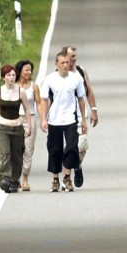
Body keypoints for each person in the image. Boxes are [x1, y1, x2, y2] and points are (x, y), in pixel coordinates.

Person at [40, 50, 88, 193]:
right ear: (56, 64)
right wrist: (43, 118)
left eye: (67, 62)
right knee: (55, 150)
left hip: (70, 119)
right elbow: (44, 100)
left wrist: (83, 119)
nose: (66, 65)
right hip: (54, 120)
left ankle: (67, 176)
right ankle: (55, 179)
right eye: (62, 63)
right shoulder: (49, 79)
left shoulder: (76, 79)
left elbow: (81, 99)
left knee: (72, 147)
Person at [0, 64, 27, 194]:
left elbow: (27, 109)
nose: (12, 77)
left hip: (17, 127)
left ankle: (14, 180)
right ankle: (4, 178)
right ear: (3, 77)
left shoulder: (21, 91)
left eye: (14, 75)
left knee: (17, 155)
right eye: (9, 75)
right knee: (4, 153)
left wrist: (28, 126)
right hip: (2, 126)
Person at [64, 45, 97, 188]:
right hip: (64, 117)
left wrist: (93, 110)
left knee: (81, 145)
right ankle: (68, 176)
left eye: (75, 56)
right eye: (71, 56)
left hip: (79, 116)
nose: (74, 59)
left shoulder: (81, 72)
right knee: (69, 147)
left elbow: (89, 91)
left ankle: (77, 166)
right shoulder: (58, 75)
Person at [15, 59, 40, 191]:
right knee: (16, 149)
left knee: (28, 150)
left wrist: (43, 119)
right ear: (19, 71)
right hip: (15, 119)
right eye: (26, 70)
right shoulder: (12, 86)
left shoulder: (34, 86)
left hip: (30, 119)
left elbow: (39, 103)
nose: (29, 72)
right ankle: (15, 177)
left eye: (30, 70)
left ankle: (25, 178)